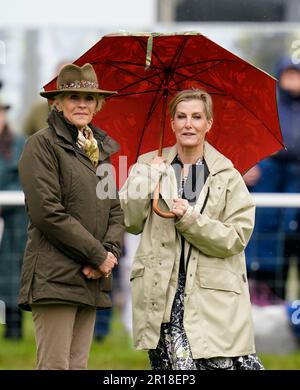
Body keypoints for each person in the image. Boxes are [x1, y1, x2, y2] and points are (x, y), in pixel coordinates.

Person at [120, 89, 264, 370]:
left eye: (197, 117)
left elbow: (236, 237)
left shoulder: (227, 175)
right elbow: (129, 220)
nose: (188, 124)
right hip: (163, 295)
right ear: (171, 123)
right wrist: (147, 177)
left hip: (212, 296)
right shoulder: (148, 165)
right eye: (181, 116)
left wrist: (190, 219)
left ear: (208, 123)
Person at [18, 63, 124, 370]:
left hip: (91, 278)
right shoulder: (40, 145)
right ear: (57, 102)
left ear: (97, 105)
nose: (81, 103)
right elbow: (46, 212)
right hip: (54, 278)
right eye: (73, 96)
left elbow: (114, 211)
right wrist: (96, 255)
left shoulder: (101, 151)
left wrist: (109, 254)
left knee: (78, 366)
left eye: (88, 98)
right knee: (55, 366)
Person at [244, 57, 300, 300]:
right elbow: (246, 144)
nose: (293, 81)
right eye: (288, 74)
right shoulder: (266, 109)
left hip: (295, 188)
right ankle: (276, 315)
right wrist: (246, 166)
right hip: (271, 188)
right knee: (273, 255)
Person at [0, 98, 27, 339]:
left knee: (11, 273)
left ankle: (14, 330)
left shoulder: (19, 144)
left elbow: (24, 178)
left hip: (14, 222)